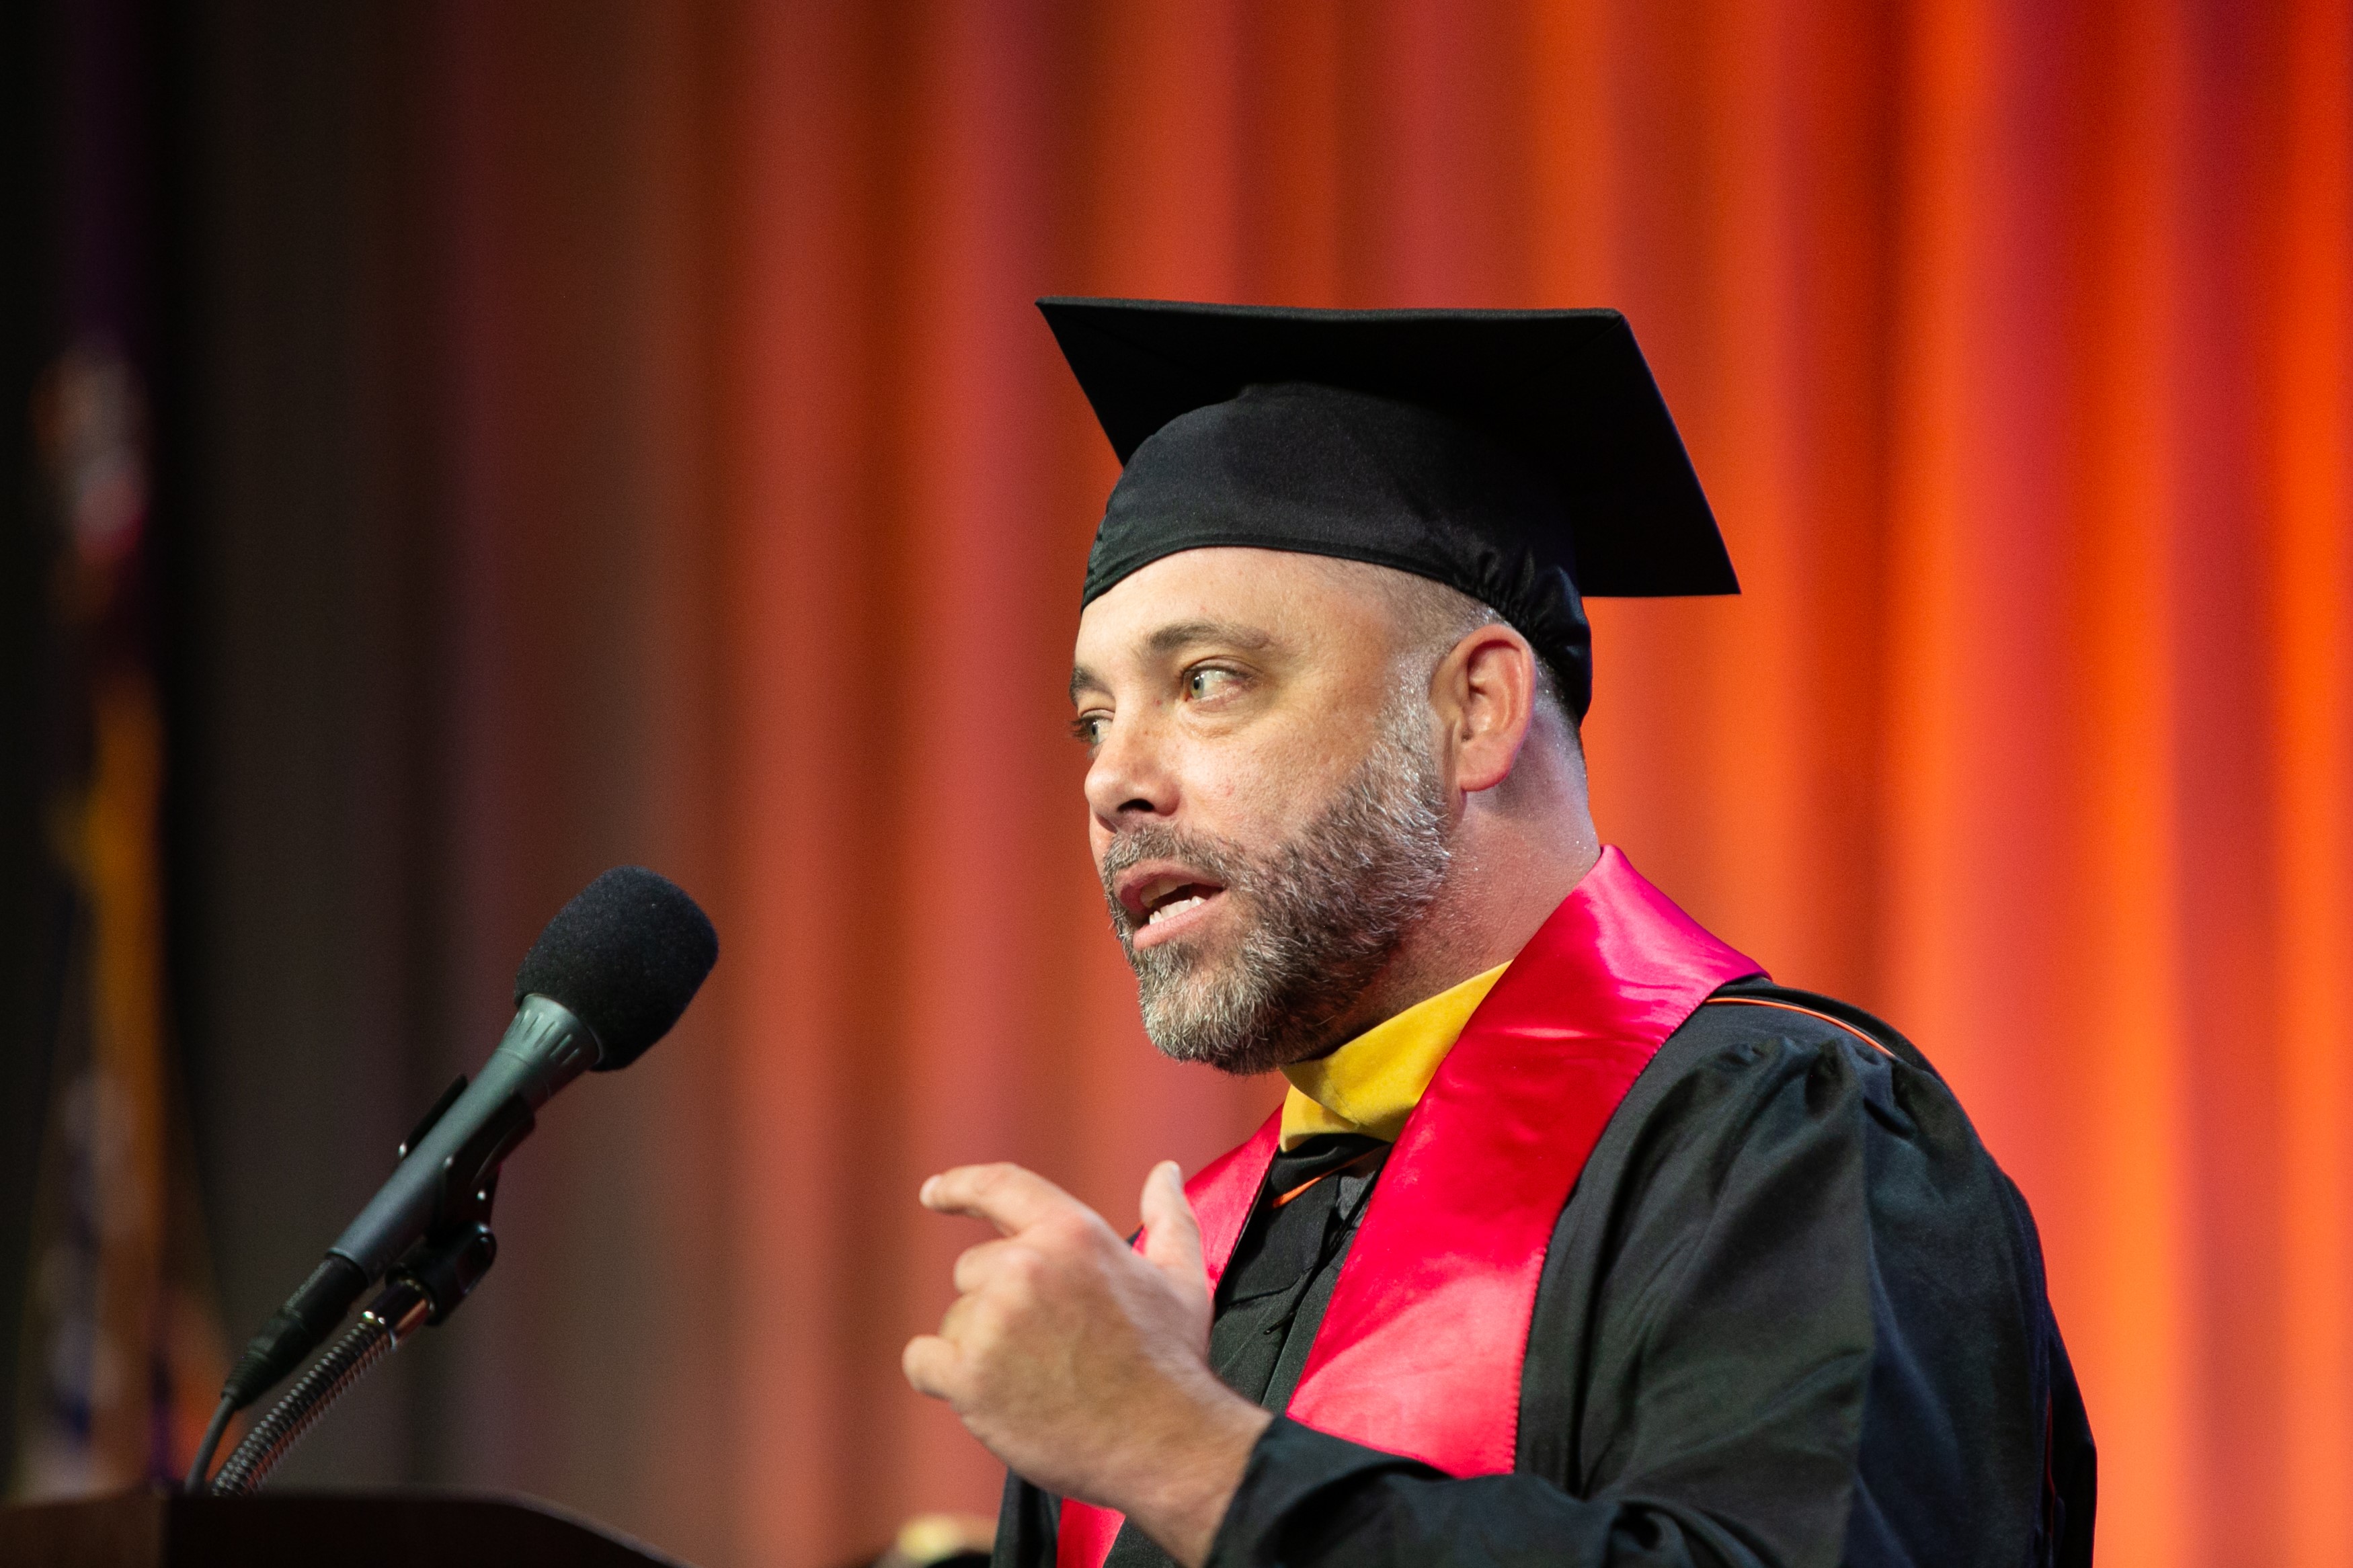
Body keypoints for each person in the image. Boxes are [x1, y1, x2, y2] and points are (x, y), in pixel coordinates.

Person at [900, 298, 2096, 1568]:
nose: (1111, 781)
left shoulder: (1787, 1145)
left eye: (1207, 680)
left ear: (1475, 709)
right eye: (1094, 719)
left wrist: (1184, 1456)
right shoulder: (1177, 1271)